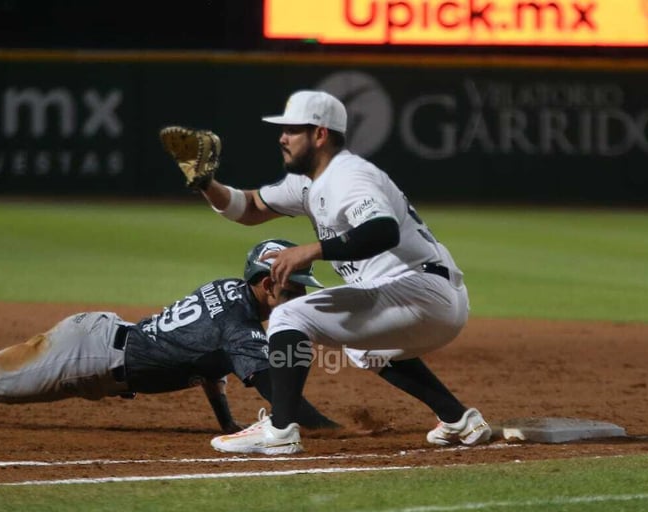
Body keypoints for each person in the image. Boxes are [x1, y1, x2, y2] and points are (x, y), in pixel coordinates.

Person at [161, 90, 492, 454]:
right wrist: (207, 184)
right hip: (430, 299)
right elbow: (250, 206)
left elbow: (383, 230)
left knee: (288, 314)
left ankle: (281, 430)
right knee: (364, 349)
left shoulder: (348, 176)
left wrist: (312, 251)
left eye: (292, 130)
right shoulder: (308, 182)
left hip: (419, 289)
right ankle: (459, 420)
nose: (282, 138)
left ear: (320, 134)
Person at [0, 239, 339, 433]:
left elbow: (215, 369)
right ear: (265, 278)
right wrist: (323, 429)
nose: (297, 291)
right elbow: (274, 388)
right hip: (90, 356)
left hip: (100, 339)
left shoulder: (229, 294)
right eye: (293, 282)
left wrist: (228, 425)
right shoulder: (241, 324)